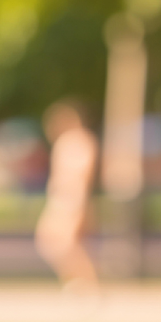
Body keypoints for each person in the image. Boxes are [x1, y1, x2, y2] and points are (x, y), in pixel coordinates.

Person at [35, 99, 99, 288]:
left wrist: (74, 202)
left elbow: (80, 175)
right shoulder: (69, 142)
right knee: (58, 242)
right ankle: (78, 282)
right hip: (64, 198)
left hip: (70, 199)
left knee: (65, 243)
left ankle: (87, 283)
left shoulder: (77, 141)